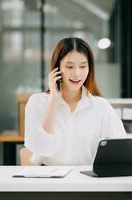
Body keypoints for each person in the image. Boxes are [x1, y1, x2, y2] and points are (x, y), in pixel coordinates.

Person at [23, 37, 126, 165]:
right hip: (49, 181)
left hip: (87, 182)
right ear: (57, 68)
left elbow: (120, 151)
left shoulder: (101, 107)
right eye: (70, 66)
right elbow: (43, 149)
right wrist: (53, 101)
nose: (77, 74)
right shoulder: (37, 102)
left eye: (83, 66)